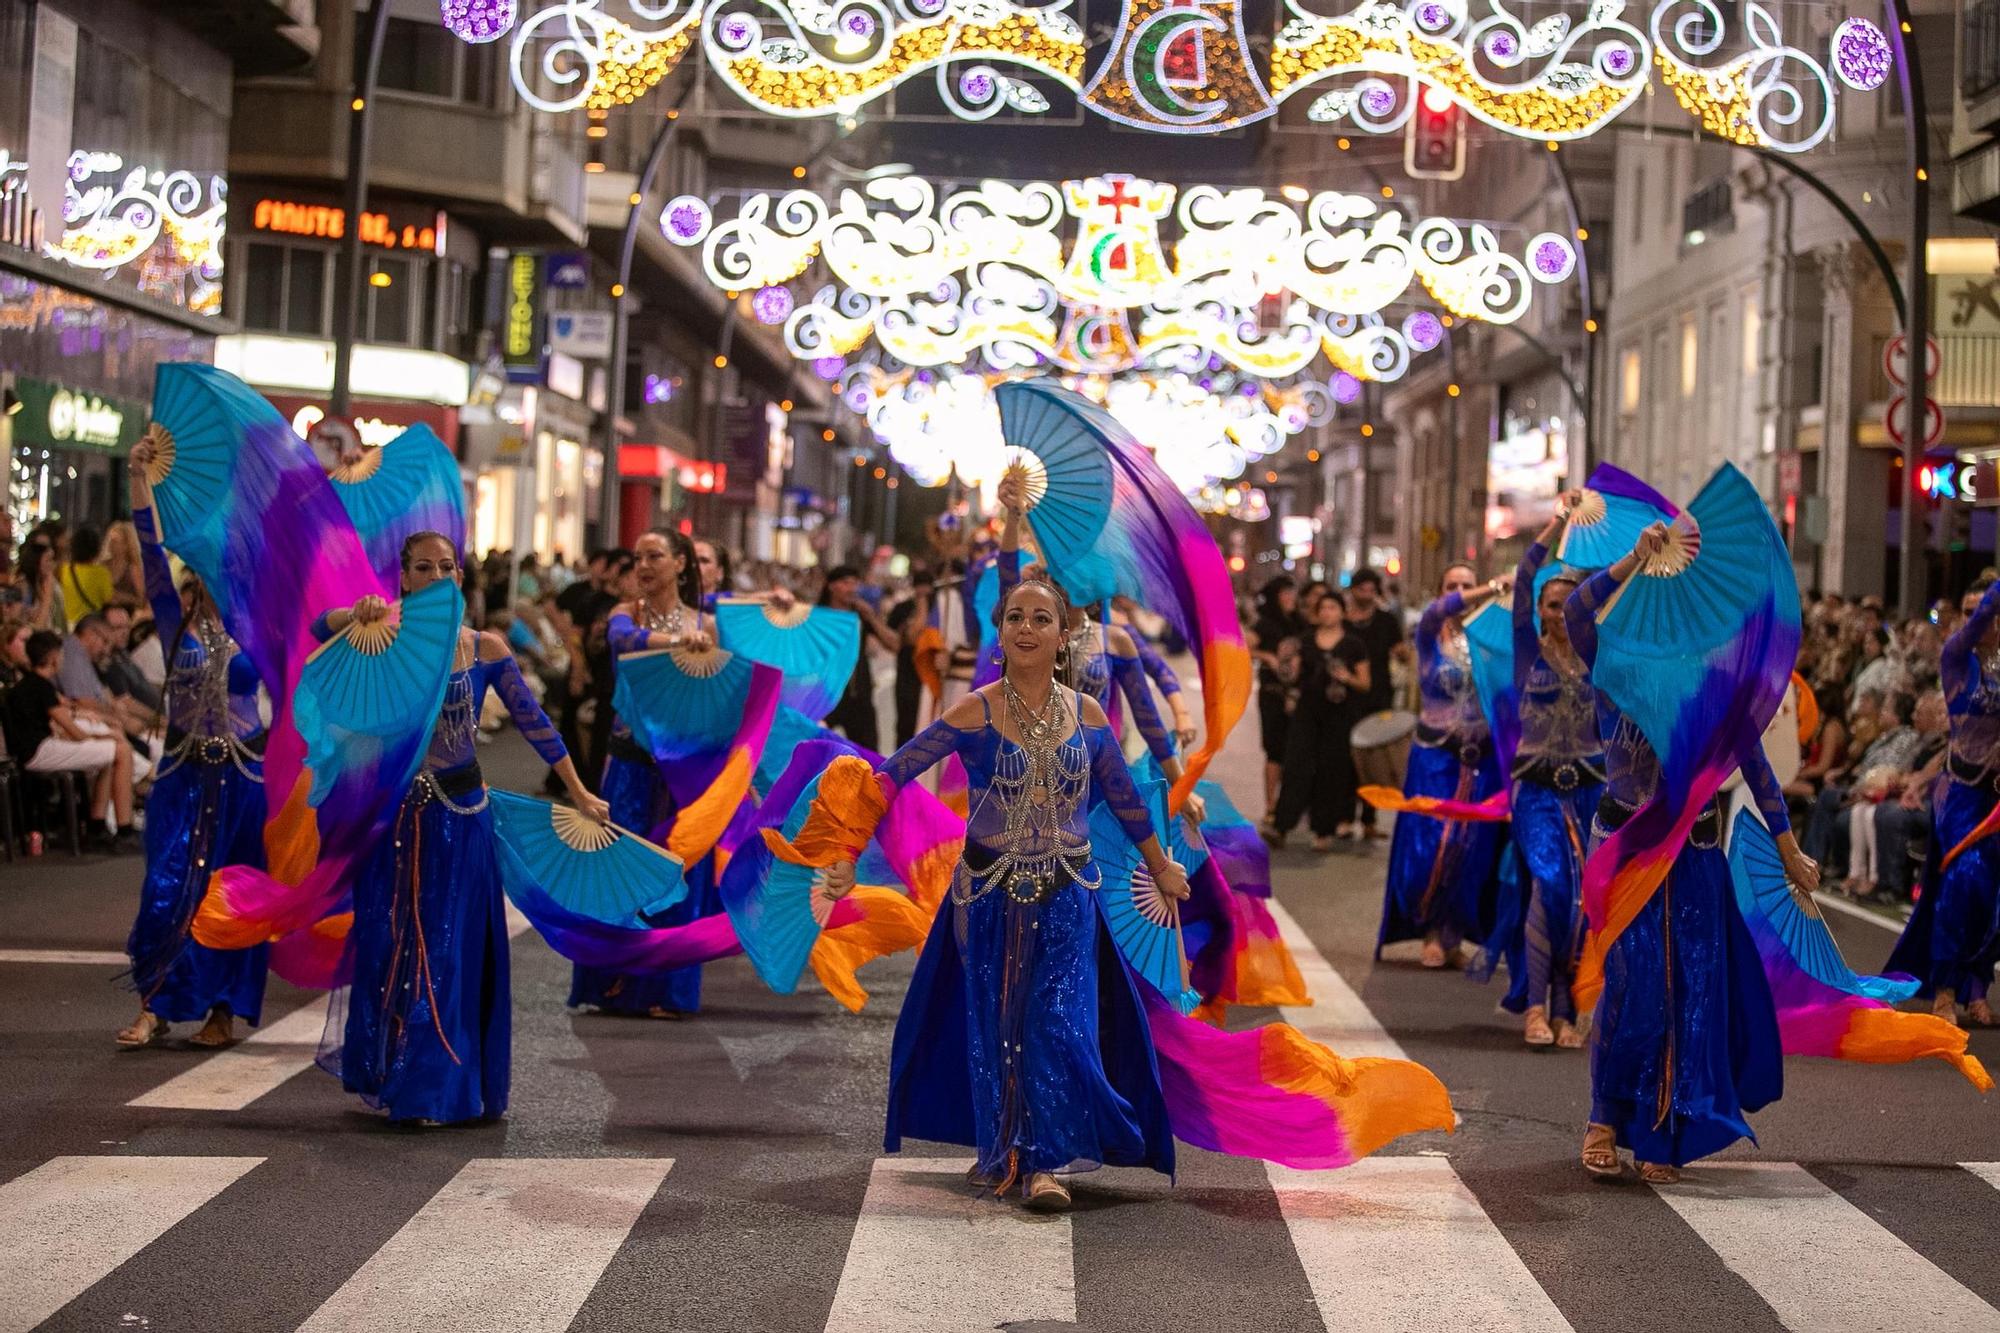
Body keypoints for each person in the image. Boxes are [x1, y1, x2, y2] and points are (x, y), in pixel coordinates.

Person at [818, 571, 1452, 1209]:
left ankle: (1043, 1163)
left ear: (1065, 635)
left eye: (1042, 618)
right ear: (1001, 635)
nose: (1028, 628)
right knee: (998, 1024)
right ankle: (1005, 1143)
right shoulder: (973, 711)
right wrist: (845, 852)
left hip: (1069, 891)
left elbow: (1123, 800)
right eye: (1016, 618)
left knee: (1057, 1019)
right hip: (988, 896)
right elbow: (889, 775)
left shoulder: (1087, 715)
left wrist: (1162, 863)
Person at [316, 532, 608, 1125]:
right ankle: (393, 1070)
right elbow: (321, 630)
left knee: (448, 948)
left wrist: (578, 791)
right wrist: (357, 613)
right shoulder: (384, 640)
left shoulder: (485, 648)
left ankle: (435, 1087)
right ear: (403, 578)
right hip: (395, 819)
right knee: (390, 940)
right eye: (422, 567)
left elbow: (536, 723)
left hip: (461, 817)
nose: (436, 575)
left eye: (446, 566)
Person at [1567, 522, 1819, 1184]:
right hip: (1628, 852)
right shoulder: (1610, 664)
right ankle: (1602, 1117)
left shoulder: (1718, 683)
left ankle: (1659, 1130)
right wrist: (1633, 559)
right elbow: (1575, 608)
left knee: (1691, 994)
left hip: (1698, 857)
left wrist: (1789, 847)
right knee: (1635, 984)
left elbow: (1756, 766)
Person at [117, 435, 269, 1050]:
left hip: (242, 779)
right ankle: (154, 1004)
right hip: (182, 774)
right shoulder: (169, 616)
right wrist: (139, 478)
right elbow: (148, 548)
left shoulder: (260, 625)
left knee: (230, 892)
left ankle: (222, 1011)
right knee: (166, 884)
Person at [570, 528, 726, 1019]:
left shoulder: (708, 623)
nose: (643, 565)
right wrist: (679, 640)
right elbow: (623, 641)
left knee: (673, 874)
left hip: (679, 770)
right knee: (620, 872)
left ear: (681, 564)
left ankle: (664, 989)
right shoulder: (627, 615)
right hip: (630, 765)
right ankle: (615, 980)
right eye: (639, 557)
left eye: (654, 555)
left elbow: (712, 695)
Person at [1501, 499, 1603, 1048]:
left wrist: (1639, 558)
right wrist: (1559, 523)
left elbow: (1613, 593)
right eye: (1553, 604)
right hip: (1537, 791)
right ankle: (1536, 1006)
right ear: (1539, 608)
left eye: (1570, 605)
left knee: (1585, 897)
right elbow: (1523, 573)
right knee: (1549, 886)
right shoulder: (1526, 650)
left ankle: (1569, 1006)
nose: (1561, 612)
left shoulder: (1596, 654)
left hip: (1589, 791)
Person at [1376, 564, 1510, 969]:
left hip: (1481, 761)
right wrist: (1490, 586)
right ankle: (1429, 928)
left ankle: (1452, 933)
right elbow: (1439, 610)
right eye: (1452, 585)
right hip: (1435, 758)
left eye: (1466, 585)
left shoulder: (1494, 642)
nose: (1460, 591)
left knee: (1473, 849)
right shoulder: (1428, 635)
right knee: (1431, 844)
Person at [1888, 577, 2000, 1027]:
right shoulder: (1957, 657)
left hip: (1996, 793)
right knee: (1963, 880)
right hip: (1961, 795)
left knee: (1994, 893)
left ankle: (1976, 985)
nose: (1979, 619)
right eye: (1970, 611)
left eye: (1984, 610)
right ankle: (1946, 988)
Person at [3, 630, 136, 850]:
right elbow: (73, 731)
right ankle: (125, 828)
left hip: (33, 750)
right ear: (53, 657)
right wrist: (102, 735)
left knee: (107, 756)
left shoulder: (27, 685)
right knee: (120, 750)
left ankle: (98, 824)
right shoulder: (42, 687)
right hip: (39, 751)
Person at [1267, 589, 1368, 850]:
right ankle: (1281, 825)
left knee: (1330, 770)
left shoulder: (1353, 644)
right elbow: (1291, 675)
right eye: (1323, 608)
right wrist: (1285, 663)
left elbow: (1365, 683)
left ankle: (1323, 830)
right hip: (1308, 710)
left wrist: (1347, 678)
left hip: (1339, 713)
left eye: (1332, 608)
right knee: (1296, 764)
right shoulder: (1306, 640)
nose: (1327, 613)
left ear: (1342, 612)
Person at [1344, 568, 1406, 840]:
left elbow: (1400, 651)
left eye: (1371, 590)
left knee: (1373, 760)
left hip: (1379, 695)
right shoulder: (1342, 620)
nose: (1367, 594)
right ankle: (1344, 817)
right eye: (1362, 589)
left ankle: (1369, 820)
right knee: (1345, 759)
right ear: (1353, 590)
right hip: (1346, 697)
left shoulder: (1386, 621)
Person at [819, 564, 899, 753]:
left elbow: (894, 644)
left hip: (859, 695)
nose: (852, 589)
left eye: (855, 583)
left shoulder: (860, 617)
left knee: (868, 756)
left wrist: (871, 617)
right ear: (831, 586)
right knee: (816, 752)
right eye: (846, 583)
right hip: (826, 695)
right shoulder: (818, 617)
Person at [1248, 577, 1303, 816]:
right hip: (1273, 694)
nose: (1291, 597)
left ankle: (1288, 804)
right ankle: (1271, 805)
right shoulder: (1265, 624)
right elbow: (1243, 647)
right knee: (1274, 750)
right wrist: (1267, 657)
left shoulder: (1299, 622)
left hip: (1297, 695)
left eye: (1292, 592)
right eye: (1285, 593)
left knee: (1295, 751)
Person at [55, 524, 115, 630]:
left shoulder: (63, 570)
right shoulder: (101, 573)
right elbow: (108, 599)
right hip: (90, 626)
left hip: (67, 624)